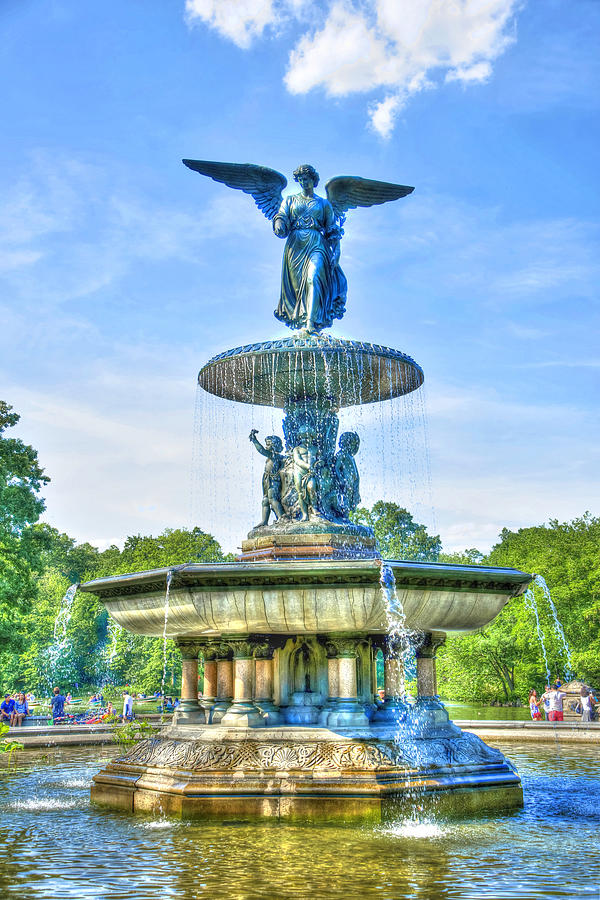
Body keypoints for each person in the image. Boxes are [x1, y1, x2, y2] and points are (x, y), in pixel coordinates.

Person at [273, 164, 347, 333]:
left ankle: (310, 323)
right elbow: (282, 215)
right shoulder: (290, 200)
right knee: (299, 287)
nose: (303, 182)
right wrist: (279, 222)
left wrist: (337, 252)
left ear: (314, 180)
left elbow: (333, 231)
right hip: (295, 246)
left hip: (317, 243)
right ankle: (301, 320)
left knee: (313, 278)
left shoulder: (324, 204)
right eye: (300, 180)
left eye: (306, 179)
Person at [249, 430, 285, 526]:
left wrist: (255, 440)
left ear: (274, 446)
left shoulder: (274, 456)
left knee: (272, 499)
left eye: (268, 445)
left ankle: (282, 518)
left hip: (274, 480)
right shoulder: (273, 456)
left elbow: (261, 450)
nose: (266, 447)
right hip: (266, 480)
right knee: (265, 500)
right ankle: (264, 521)